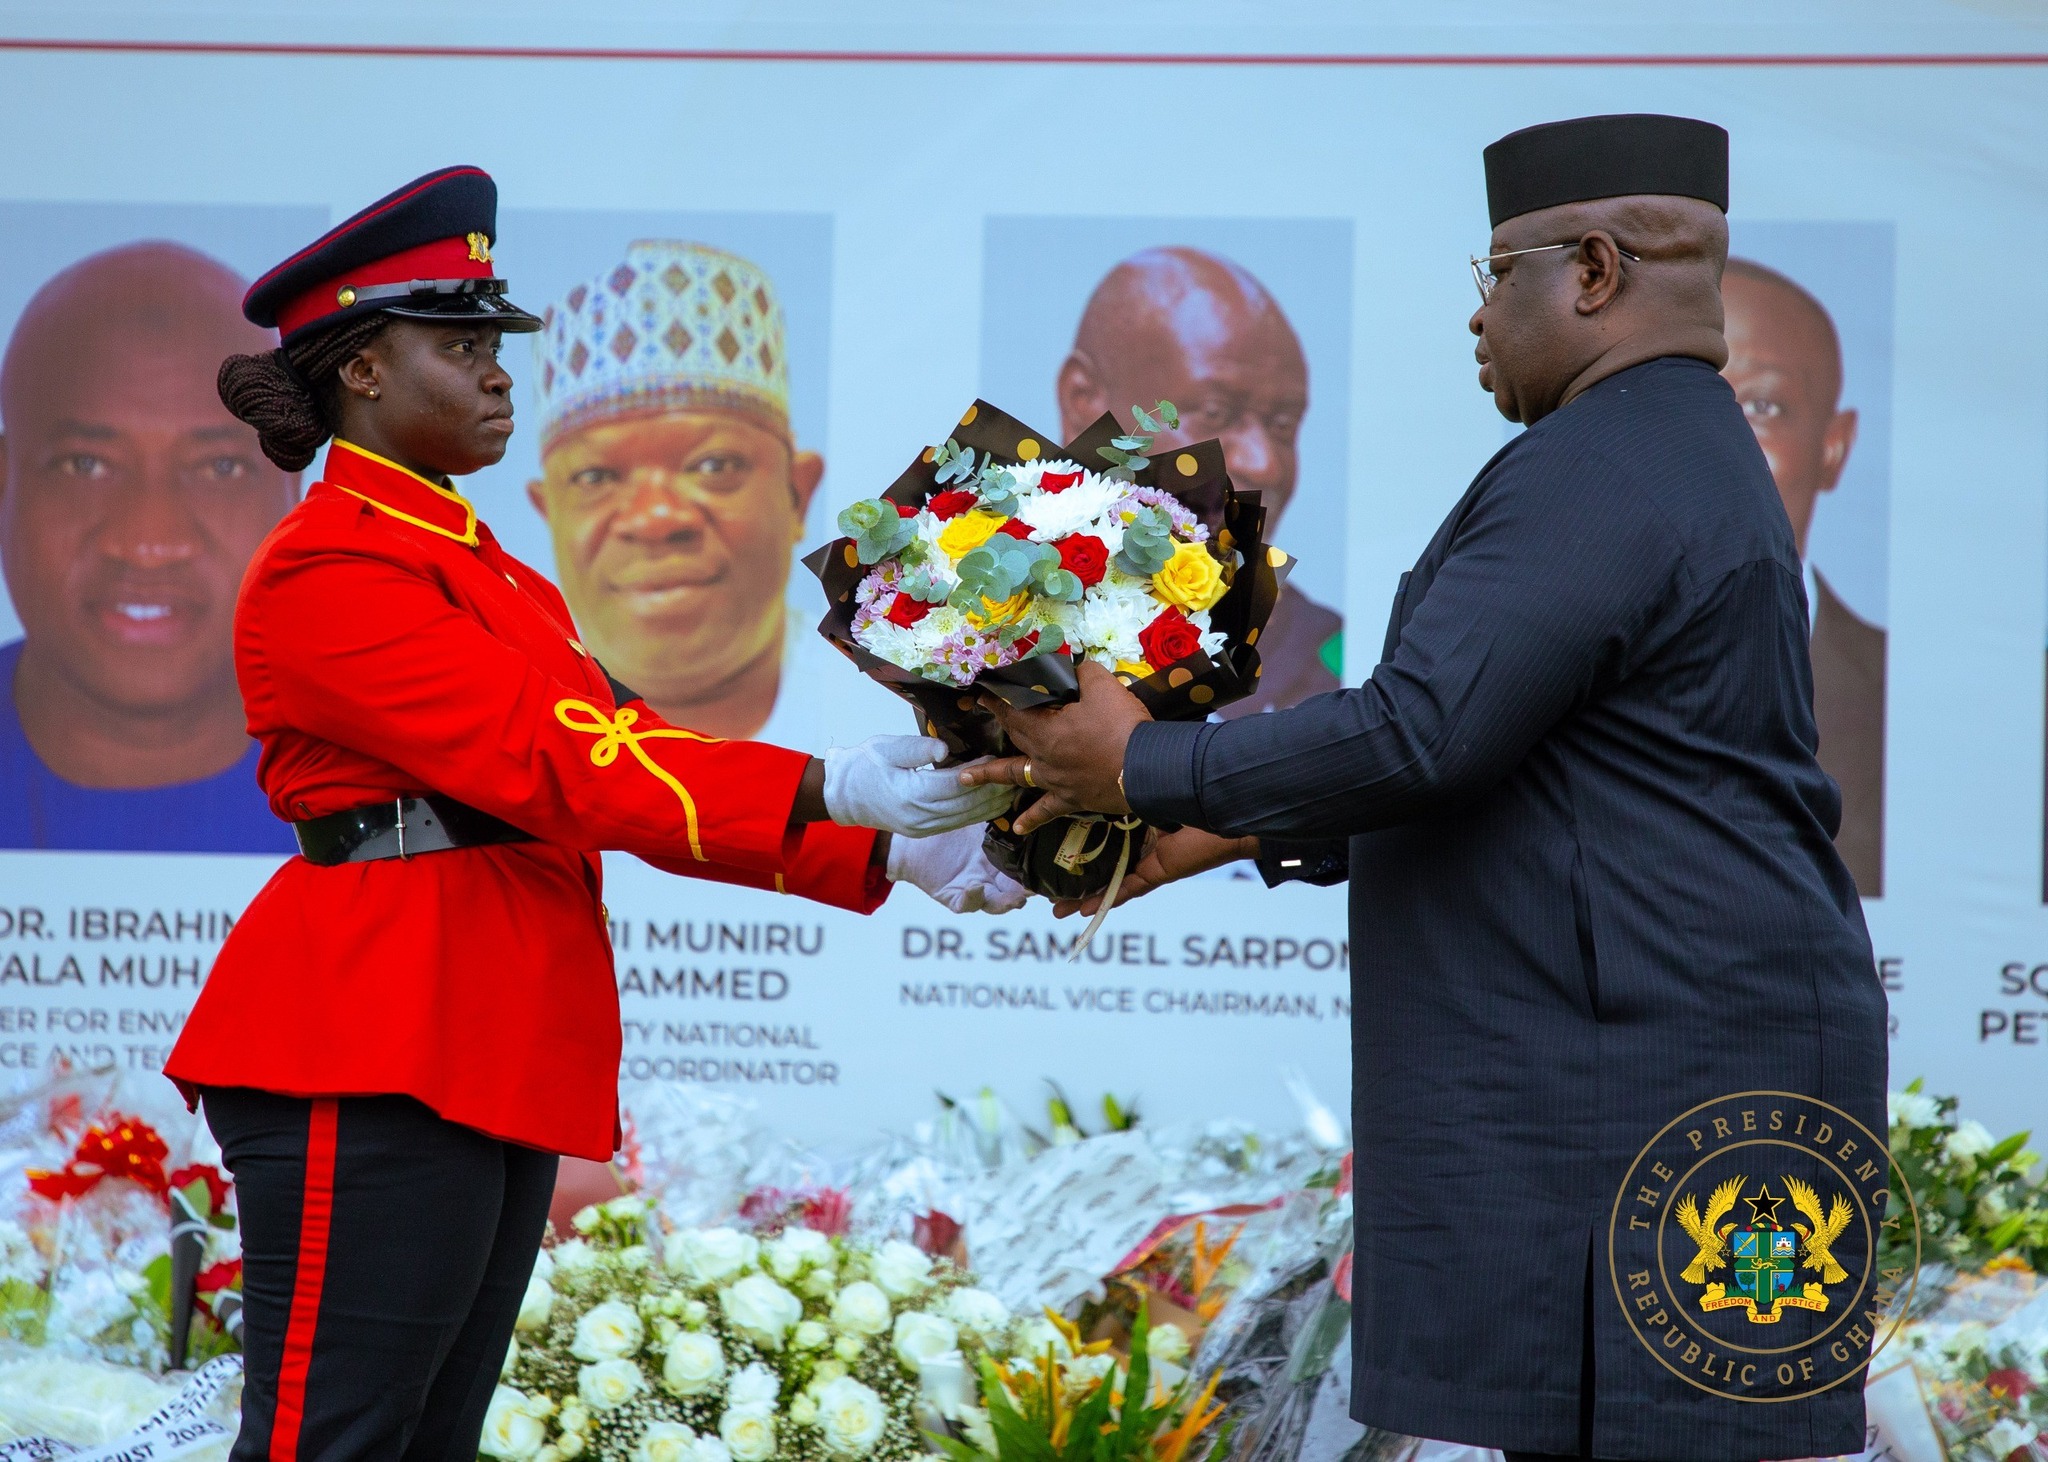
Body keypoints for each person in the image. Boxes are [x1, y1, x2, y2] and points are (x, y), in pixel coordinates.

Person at [965, 116, 1887, 1461]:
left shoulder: (1603, 464)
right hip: (1668, 1084)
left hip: (1646, 1102)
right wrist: (1222, 826)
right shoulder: (1667, 450)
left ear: (1588, 272)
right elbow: (1536, 773)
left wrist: (1138, 760)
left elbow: (1427, 729)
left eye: (1492, 274)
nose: (1474, 317)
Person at [162, 167, 1020, 1462]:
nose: (502, 373)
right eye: (460, 345)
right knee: (332, 1440)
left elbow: (632, 756)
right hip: (373, 1024)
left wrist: (896, 843)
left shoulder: (489, 570)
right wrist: (834, 786)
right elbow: (553, 757)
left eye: (496, 345)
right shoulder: (329, 561)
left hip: (475, 1025)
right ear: (363, 374)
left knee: (425, 1436)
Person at [527, 240, 898, 747]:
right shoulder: (513, 712)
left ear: (797, 494)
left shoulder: (887, 712)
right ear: (549, 514)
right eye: (596, 477)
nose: (655, 518)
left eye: (713, 465)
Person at [0, 241, 298, 851]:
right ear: (5, 483)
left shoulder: (398, 784)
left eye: (219, 468)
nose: (148, 542)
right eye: (86, 465)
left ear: (290, 493)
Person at [1056, 246, 1341, 715]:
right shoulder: (999, 607)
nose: (1264, 463)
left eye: (1283, 424)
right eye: (1215, 413)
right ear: (1083, 401)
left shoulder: (1331, 653)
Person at [1722, 257, 1882, 895]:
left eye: (1762, 404)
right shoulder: (1542, 671)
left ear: (1833, 447)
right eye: (1690, 400)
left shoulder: (1909, 693)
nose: (1721, 438)